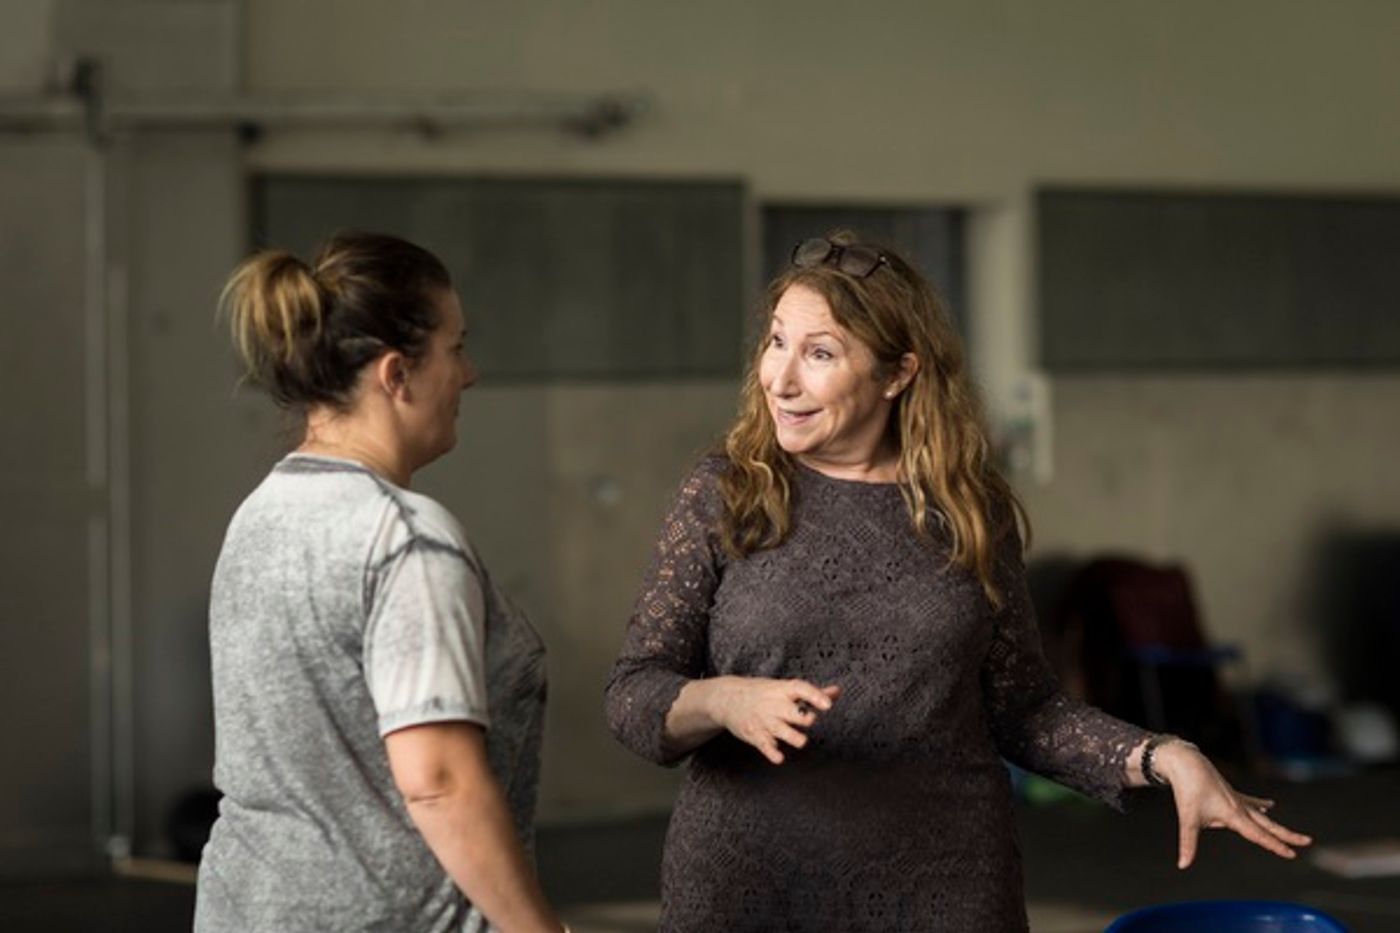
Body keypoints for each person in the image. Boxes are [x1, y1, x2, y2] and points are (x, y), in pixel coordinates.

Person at [604, 233, 1311, 932]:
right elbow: (634, 691)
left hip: (944, 885)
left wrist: (1163, 756)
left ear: (898, 373)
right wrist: (721, 699)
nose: (780, 378)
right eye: (776, 342)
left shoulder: (968, 508)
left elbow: (1023, 709)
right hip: (749, 886)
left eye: (819, 353)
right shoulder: (726, 493)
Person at [195, 232, 566, 933]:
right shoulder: (406, 538)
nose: (470, 373)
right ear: (397, 375)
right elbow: (440, 780)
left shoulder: (260, 514)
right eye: (455, 349)